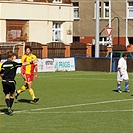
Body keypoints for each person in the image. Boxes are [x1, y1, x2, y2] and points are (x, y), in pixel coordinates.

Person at [0, 51, 33, 115]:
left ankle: (8, 107)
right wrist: (31, 62)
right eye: (14, 57)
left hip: (4, 82)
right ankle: (10, 108)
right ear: (12, 57)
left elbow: (1, 74)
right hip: (11, 81)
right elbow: (22, 64)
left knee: (7, 95)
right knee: (12, 95)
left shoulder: (4, 64)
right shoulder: (14, 64)